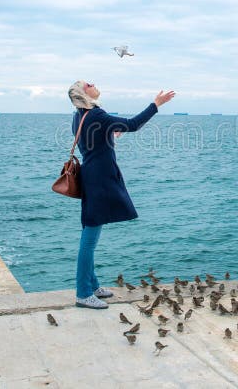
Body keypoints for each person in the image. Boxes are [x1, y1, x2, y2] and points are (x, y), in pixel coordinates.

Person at [67, 81, 175, 309]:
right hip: (99, 180)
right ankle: (83, 293)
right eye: (89, 84)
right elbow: (133, 124)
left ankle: (92, 285)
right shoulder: (97, 114)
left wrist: (111, 136)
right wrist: (156, 104)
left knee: (91, 234)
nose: (94, 84)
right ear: (83, 93)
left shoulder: (79, 116)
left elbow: (93, 143)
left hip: (91, 177)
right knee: (89, 238)